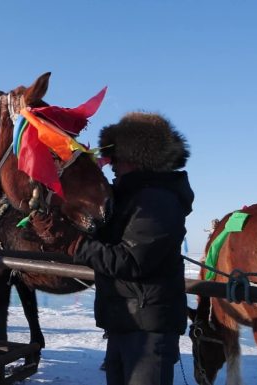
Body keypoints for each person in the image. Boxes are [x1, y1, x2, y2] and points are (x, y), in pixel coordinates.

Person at [31, 112, 193, 385]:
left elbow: (130, 262)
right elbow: (100, 238)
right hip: (125, 321)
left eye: (115, 157)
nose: (110, 164)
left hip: (147, 328)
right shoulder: (129, 198)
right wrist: (56, 221)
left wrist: (72, 242)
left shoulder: (156, 201)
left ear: (137, 156)